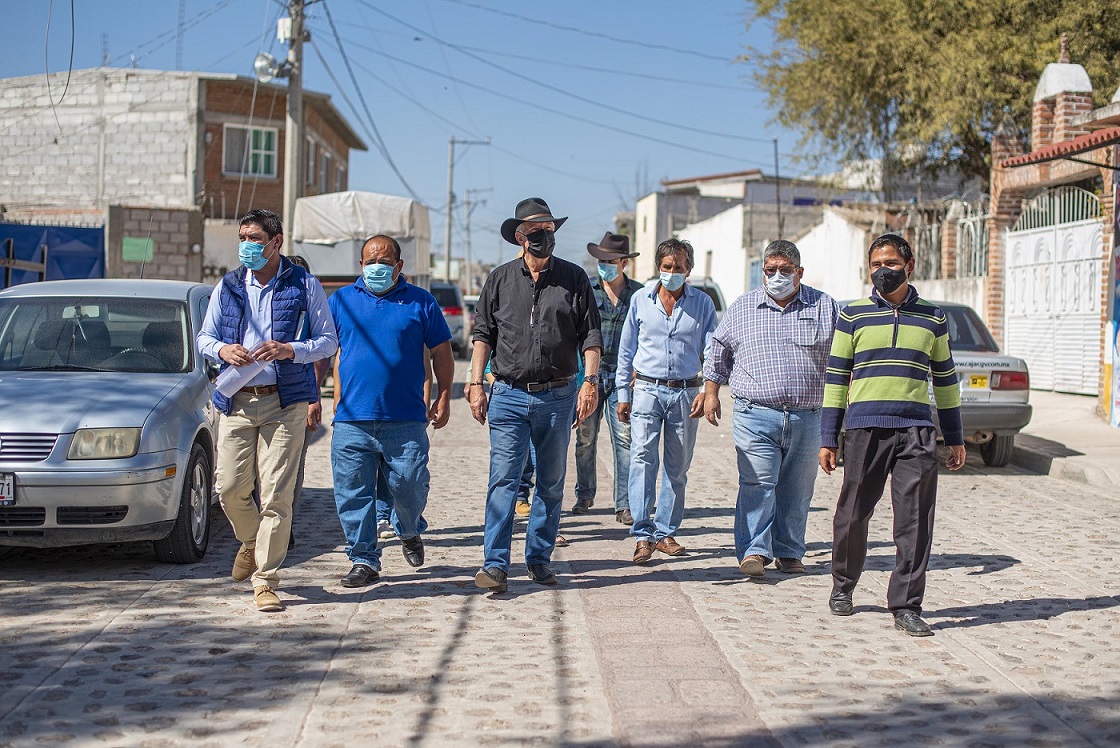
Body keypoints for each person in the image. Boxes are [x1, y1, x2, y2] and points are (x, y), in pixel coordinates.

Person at [819, 233, 967, 637]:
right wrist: (828, 437)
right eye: (875, 265)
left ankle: (906, 605)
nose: (882, 271)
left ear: (909, 264)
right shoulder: (852, 316)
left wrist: (954, 436)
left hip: (916, 432)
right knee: (852, 514)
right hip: (866, 429)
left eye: (890, 263)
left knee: (915, 522)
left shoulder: (934, 319)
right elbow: (835, 379)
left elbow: (946, 381)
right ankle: (843, 586)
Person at [197, 208, 338, 613]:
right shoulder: (227, 286)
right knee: (228, 488)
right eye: (242, 237)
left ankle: (266, 580)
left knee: (276, 494)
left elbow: (328, 340)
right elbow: (205, 337)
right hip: (236, 401)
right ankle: (250, 541)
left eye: (255, 238)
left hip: (285, 402)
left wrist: (290, 349)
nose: (247, 245)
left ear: (276, 242)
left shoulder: (303, 284)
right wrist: (223, 349)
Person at [469, 197, 602, 593]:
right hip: (507, 395)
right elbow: (482, 335)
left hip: (558, 396)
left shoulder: (576, 278)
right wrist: (476, 384)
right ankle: (494, 564)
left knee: (550, 482)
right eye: (535, 231)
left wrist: (589, 383)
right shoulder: (499, 279)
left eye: (549, 230)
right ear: (520, 237)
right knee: (503, 481)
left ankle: (539, 558)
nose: (544, 237)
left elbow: (590, 337)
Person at [703, 240, 839, 577]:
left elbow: (844, 358)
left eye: (785, 270)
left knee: (797, 487)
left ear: (799, 272)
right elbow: (718, 350)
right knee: (757, 483)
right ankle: (753, 552)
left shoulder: (825, 307)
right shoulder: (744, 307)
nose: (777, 276)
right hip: (755, 414)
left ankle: (790, 551)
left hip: (808, 417)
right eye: (770, 270)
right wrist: (711, 392)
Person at [328, 234, 454, 588]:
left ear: (399, 266)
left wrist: (444, 395)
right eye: (371, 262)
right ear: (361, 265)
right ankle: (364, 559)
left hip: (406, 419)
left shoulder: (421, 302)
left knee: (410, 486)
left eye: (385, 262)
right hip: (352, 419)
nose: (377, 268)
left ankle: (408, 527)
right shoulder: (341, 302)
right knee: (353, 493)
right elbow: (324, 351)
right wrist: (313, 397)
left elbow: (442, 352)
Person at [616, 238, 716, 564]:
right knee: (643, 460)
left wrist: (708, 390)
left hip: (686, 392)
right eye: (667, 267)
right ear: (658, 267)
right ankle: (642, 535)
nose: (672, 273)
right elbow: (626, 350)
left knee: (678, 466)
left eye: (679, 268)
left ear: (689, 270)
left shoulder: (702, 303)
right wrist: (622, 393)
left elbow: (713, 349)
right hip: (646, 389)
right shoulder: (640, 300)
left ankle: (665, 532)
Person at [573, 232, 644, 525]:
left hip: (623, 377)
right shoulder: (586, 290)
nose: (605, 266)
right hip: (591, 374)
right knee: (585, 436)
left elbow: (644, 334)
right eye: (601, 261)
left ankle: (623, 504)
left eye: (611, 261)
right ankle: (585, 493)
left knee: (625, 439)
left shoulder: (639, 295)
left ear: (624, 262)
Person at [286, 255, 331, 550]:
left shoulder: (312, 310)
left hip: (300, 398)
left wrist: (313, 398)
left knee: (291, 466)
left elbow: (322, 356)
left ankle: (284, 525)